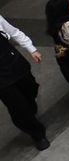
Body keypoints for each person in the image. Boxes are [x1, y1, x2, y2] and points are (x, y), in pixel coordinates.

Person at [0, 14, 47, 150]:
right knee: (17, 106)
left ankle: (30, 108)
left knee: (30, 89)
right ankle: (37, 135)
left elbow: (13, 32)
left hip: (14, 63)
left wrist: (31, 49)